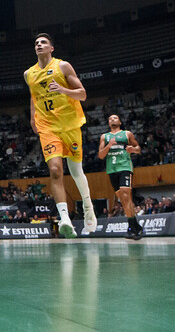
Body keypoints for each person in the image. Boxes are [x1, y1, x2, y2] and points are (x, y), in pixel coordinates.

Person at [23, 33, 95, 238]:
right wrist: (32, 118)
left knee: (76, 171)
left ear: (51, 48)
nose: (39, 45)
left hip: (70, 125)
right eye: (36, 43)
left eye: (43, 42)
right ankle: (65, 219)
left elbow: (82, 94)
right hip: (48, 127)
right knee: (55, 170)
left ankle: (88, 204)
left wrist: (63, 89)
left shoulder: (63, 66)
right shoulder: (29, 74)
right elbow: (33, 96)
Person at [97, 113, 143, 240]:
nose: (112, 119)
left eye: (115, 117)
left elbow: (138, 148)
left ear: (120, 122)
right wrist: (109, 145)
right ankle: (136, 227)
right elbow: (101, 155)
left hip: (124, 167)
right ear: (108, 123)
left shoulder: (127, 134)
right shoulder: (104, 136)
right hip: (112, 170)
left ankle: (132, 229)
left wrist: (133, 150)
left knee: (125, 196)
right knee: (123, 200)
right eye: (110, 118)